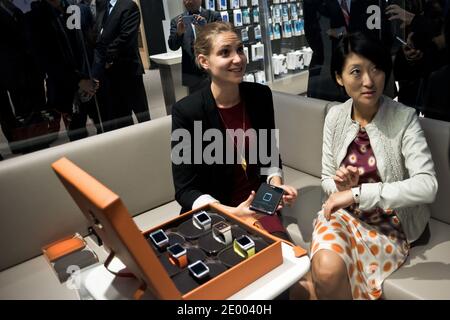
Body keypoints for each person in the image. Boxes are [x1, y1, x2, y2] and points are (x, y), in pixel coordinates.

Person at [291, 32, 438, 300]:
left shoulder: (403, 118)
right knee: (321, 273)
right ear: (339, 77)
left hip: (389, 225)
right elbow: (326, 177)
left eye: (376, 70)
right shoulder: (335, 116)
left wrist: (357, 193)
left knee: (312, 286)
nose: (369, 81)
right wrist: (339, 186)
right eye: (356, 72)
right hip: (343, 215)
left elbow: (427, 185)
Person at [171, 22, 298, 242]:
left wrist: (275, 188)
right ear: (204, 61)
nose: (238, 59)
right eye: (225, 53)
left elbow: (270, 156)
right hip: (216, 213)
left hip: (259, 207)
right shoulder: (187, 112)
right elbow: (185, 190)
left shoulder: (260, 96)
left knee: (291, 265)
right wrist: (230, 213)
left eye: (240, 49)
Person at [91, 0, 150, 132]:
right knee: (121, 118)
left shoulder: (129, 6)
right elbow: (99, 35)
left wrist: (106, 57)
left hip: (129, 72)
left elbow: (126, 37)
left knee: (142, 116)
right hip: (110, 76)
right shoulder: (103, 7)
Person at [168, 0, 221, 94]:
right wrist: (179, 33)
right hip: (191, 72)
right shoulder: (176, 21)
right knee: (197, 104)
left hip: (213, 69)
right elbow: (172, 46)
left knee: (218, 100)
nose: (189, 2)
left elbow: (220, 40)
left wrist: (205, 29)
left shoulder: (213, 16)